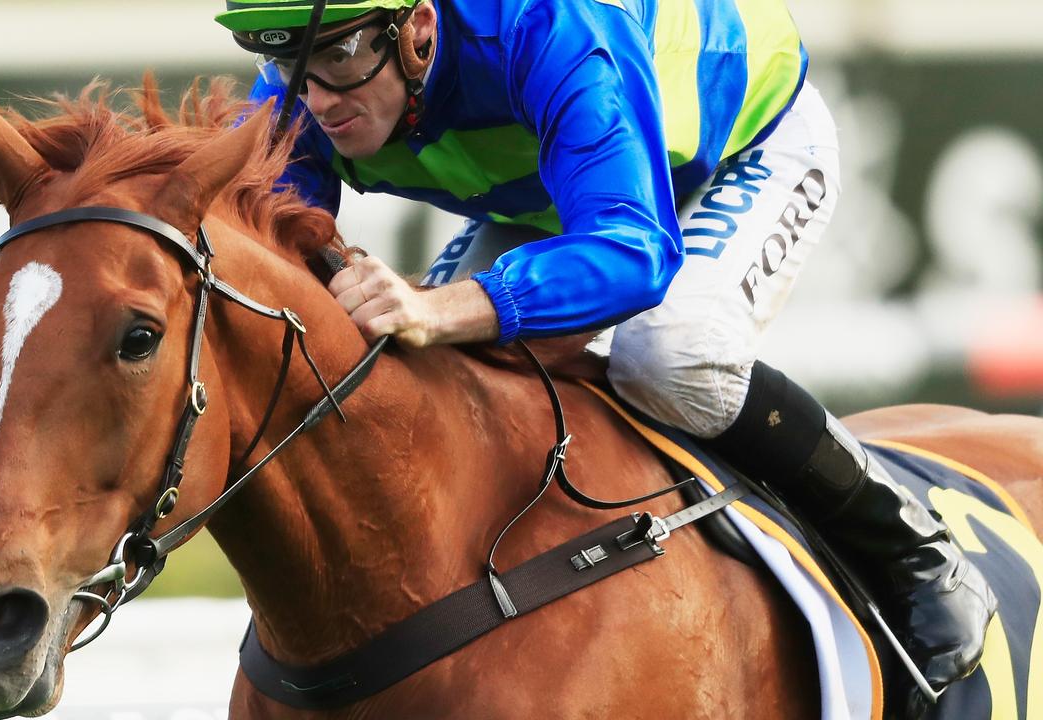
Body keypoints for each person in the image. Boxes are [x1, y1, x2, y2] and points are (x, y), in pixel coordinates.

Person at [214, 0, 996, 709]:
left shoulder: (543, 29)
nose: (316, 100)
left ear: (418, 28)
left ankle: (915, 556)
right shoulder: (298, 91)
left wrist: (440, 304)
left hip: (738, 145)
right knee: (423, 378)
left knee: (672, 357)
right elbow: (281, 250)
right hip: (555, 186)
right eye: (287, 61)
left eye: (343, 58)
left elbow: (632, 250)